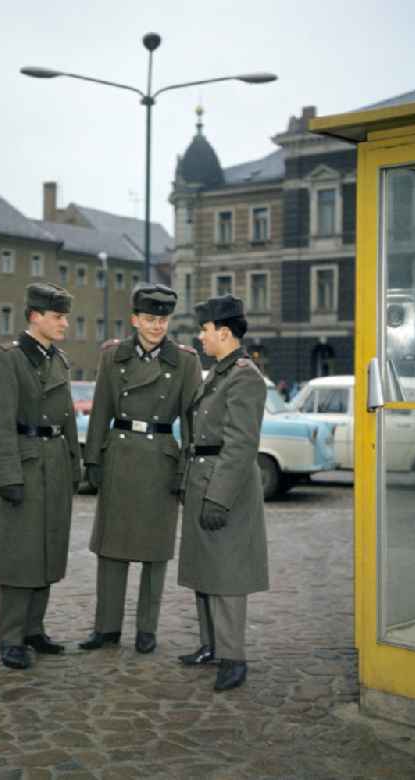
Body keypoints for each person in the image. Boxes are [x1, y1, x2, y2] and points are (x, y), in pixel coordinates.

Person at [80, 282, 202, 654]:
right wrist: (93, 460)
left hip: (161, 458)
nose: (156, 326)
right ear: (134, 319)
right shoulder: (112, 357)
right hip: (120, 456)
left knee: (155, 551)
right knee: (111, 549)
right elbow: (100, 410)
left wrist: (186, 469)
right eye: (149, 319)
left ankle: (146, 630)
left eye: (162, 320)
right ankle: (106, 629)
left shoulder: (185, 361)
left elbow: (193, 421)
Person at [0, 281, 81, 670]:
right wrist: (7, 476)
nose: (64, 324)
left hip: (52, 463)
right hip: (23, 465)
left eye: (65, 317)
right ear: (35, 316)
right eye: (57, 316)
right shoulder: (8, 359)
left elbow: (67, 417)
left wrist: (74, 464)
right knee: (20, 555)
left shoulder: (57, 359)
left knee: (47, 549)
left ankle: (34, 629)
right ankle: (11, 638)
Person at [177, 294, 269, 691]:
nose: (200, 337)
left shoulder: (244, 376)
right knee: (206, 569)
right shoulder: (218, 372)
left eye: (205, 330)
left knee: (228, 572)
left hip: (225, 486)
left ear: (224, 333)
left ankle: (233, 657)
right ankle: (210, 645)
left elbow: (240, 444)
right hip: (203, 479)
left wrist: (219, 496)